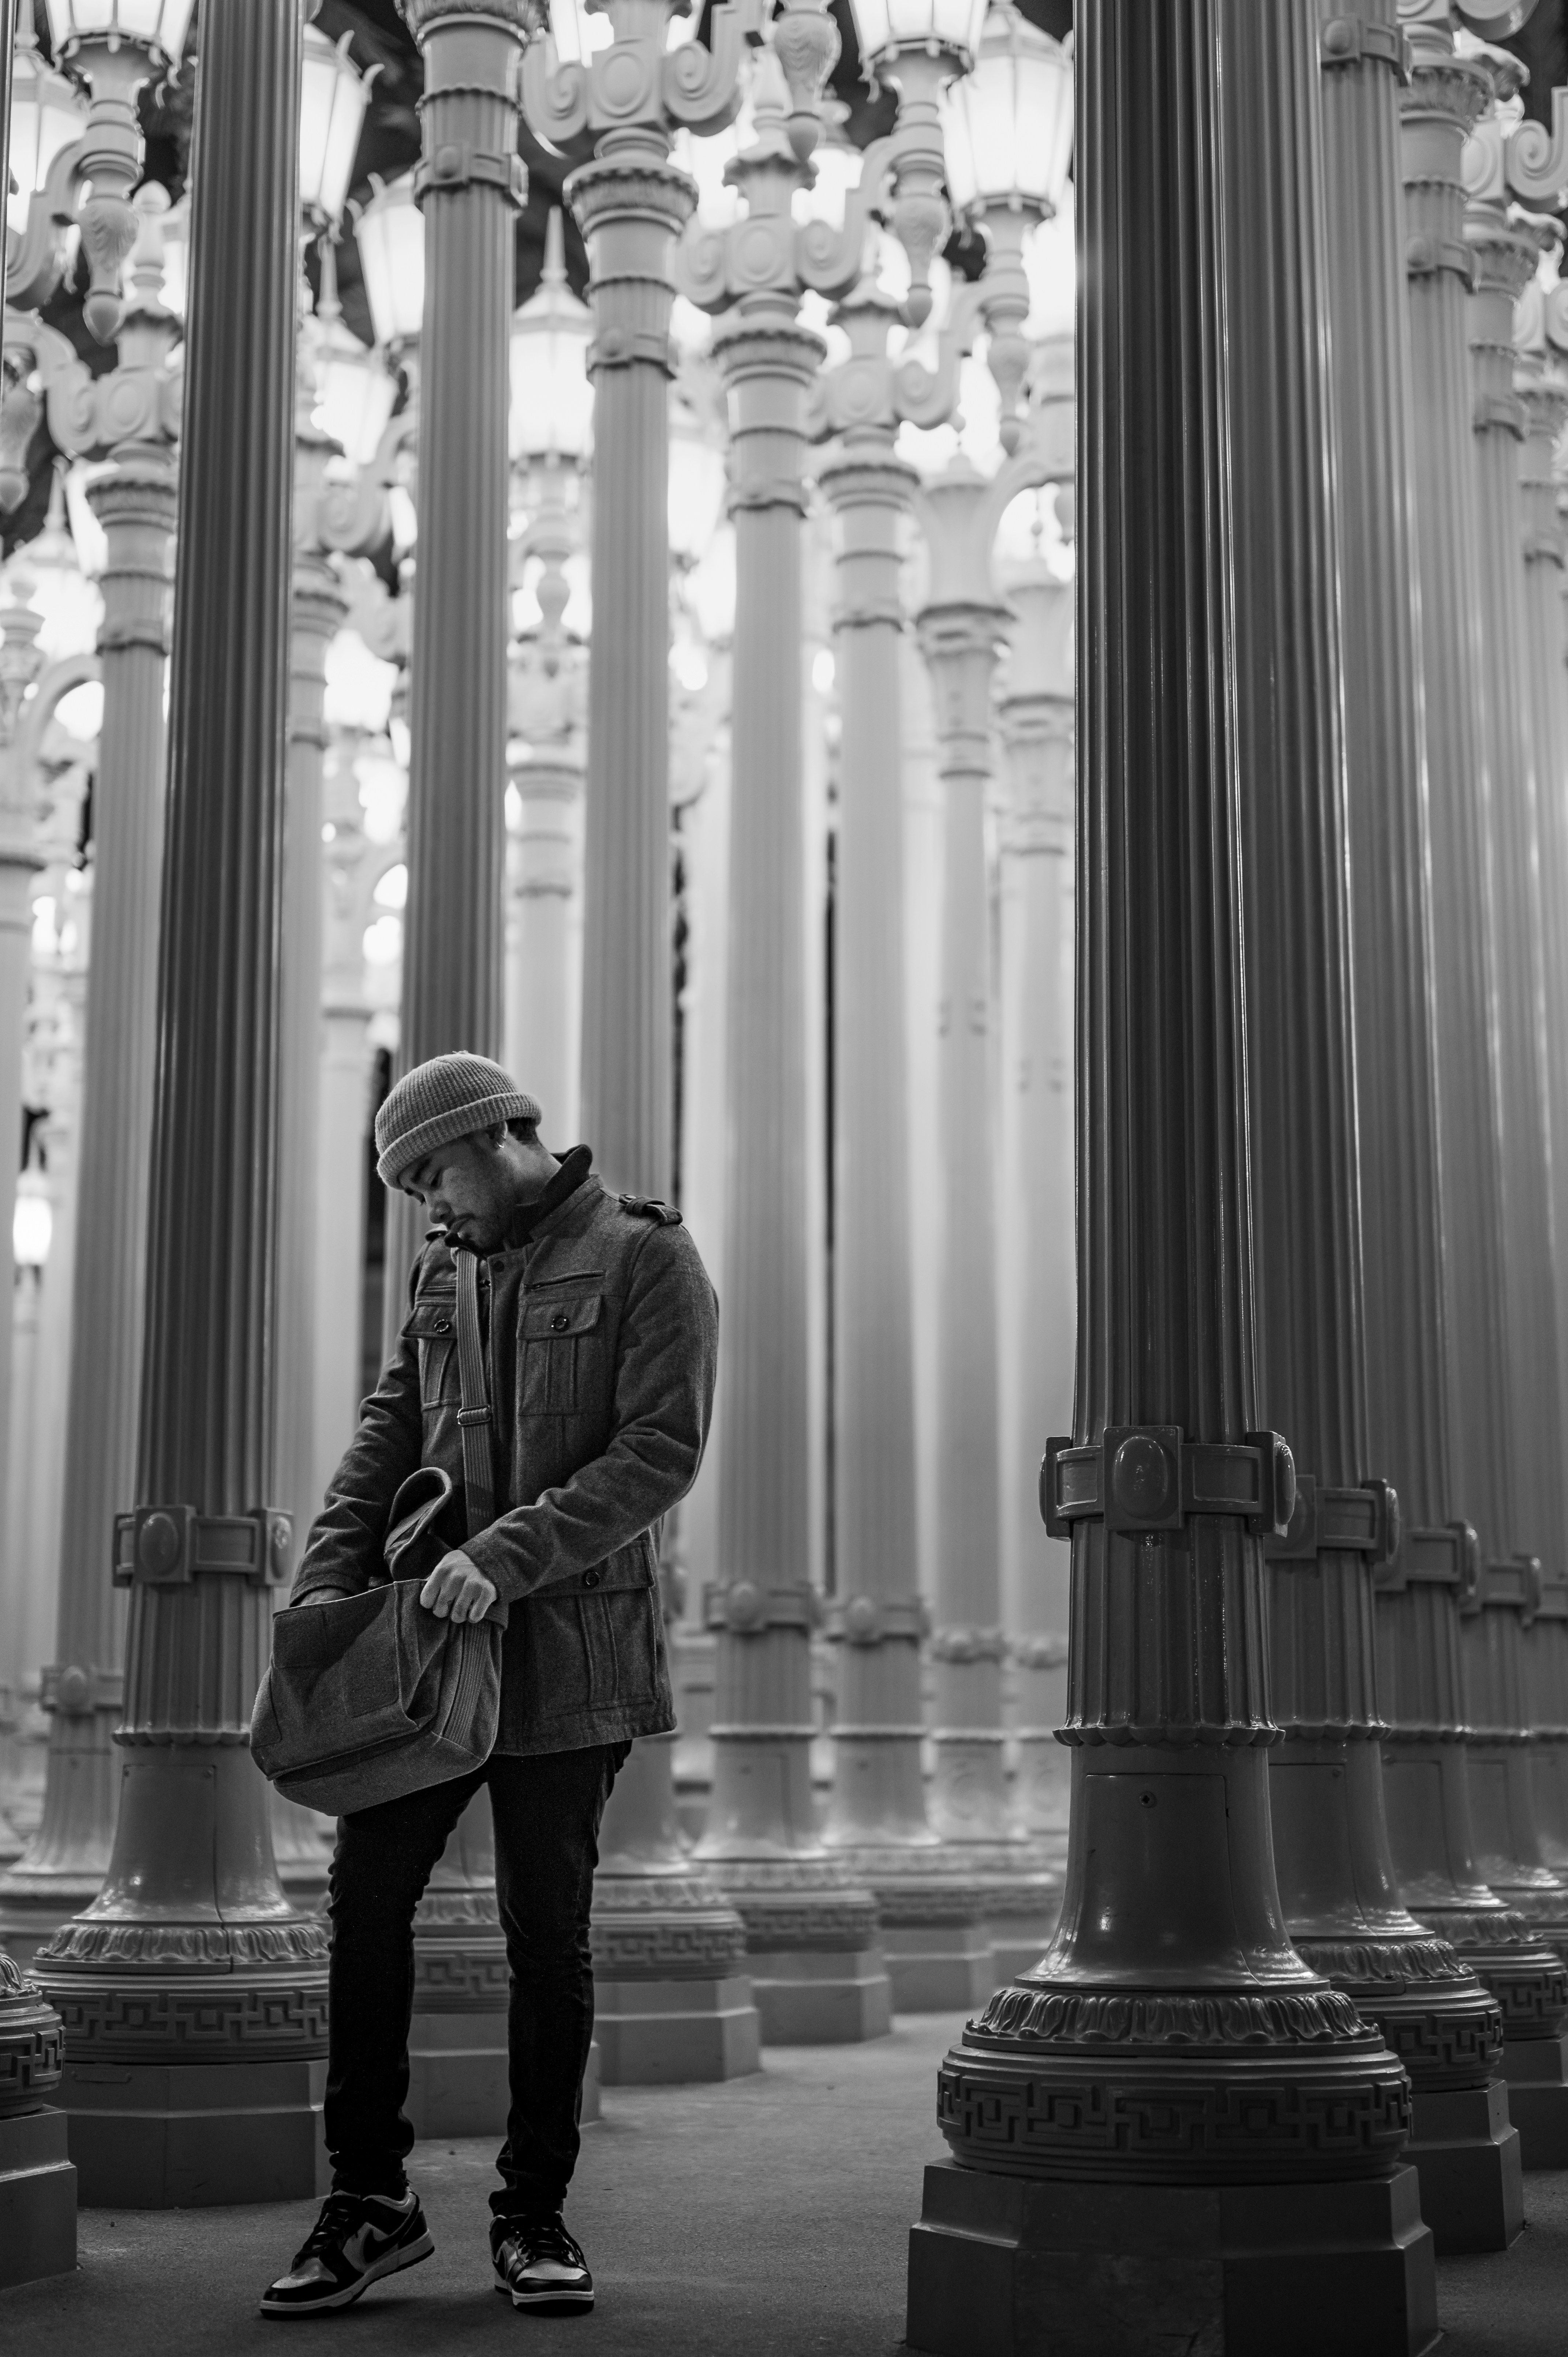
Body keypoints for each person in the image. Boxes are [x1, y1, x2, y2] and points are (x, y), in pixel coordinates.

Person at [259, 1052, 718, 2320]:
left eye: (433, 1176)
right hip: (424, 1654)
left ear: (497, 1135)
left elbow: (660, 1451)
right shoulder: (441, 1273)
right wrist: (321, 1595)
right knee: (365, 1901)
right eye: (406, 1188)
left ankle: (534, 2214)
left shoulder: (646, 1258)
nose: (426, 1207)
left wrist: (503, 1556)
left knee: (545, 1937)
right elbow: (387, 1432)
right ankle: (369, 2203)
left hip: (573, 1654)